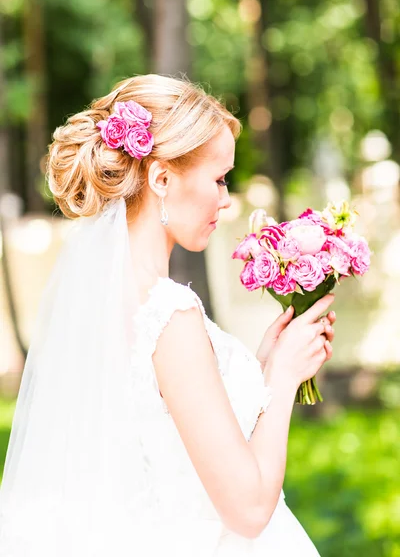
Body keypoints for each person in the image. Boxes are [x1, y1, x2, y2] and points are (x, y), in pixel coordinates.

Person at [0, 74, 336, 556]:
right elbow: (248, 510)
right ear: (160, 178)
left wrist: (264, 367)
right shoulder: (169, 315)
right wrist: (283, 381)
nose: (226, 199)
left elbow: (169, 437)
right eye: (219, 179)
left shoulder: (105, 303)